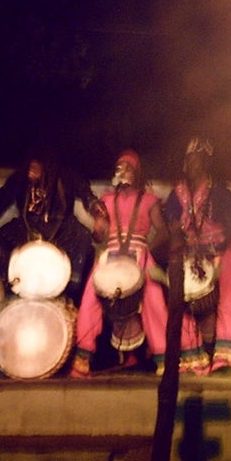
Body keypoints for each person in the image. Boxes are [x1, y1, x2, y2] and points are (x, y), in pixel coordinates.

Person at [70, 149, 169, 377]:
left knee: (154, 304)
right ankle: (82, 359)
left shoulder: (149, 200)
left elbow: (163, 232)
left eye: (127, 166)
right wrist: (97, 228)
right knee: (89, 301)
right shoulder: (106, 200)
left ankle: (163, 359)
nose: (122, 169)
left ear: (136, 172)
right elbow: (100, 235)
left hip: (140, 253)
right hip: (111, 253)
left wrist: (145, 251)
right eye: (119, 165)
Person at [0, 144, 106, 307]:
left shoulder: (66, 176)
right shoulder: (20, 179)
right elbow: (1, 198)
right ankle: (12, 287)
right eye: (29, 167)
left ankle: (70, 293)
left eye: (35, 168)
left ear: (47, 166)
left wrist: (98, 215)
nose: (31, 173)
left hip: (63, 229)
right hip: (28, 228)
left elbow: (87, 195)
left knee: (84, 237)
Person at [163, 136, 231, 374]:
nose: (192, 164)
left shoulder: (220, 192)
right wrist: (175, 232)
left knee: (229, 292)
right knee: (179, 299)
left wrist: (219, 249)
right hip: (187, 253)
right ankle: (190, 358)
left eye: (197, 159)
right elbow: (170, 223)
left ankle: (224, 358)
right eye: (189, 159)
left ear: (206, 163)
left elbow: (230, 225)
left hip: (216, 250)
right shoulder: (176, 194)